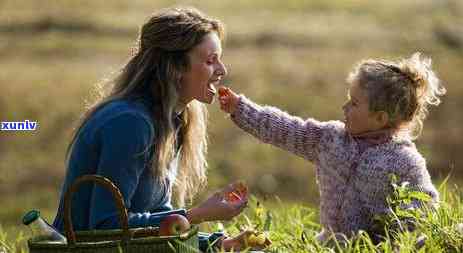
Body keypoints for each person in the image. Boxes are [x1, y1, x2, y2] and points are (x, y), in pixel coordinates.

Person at [52, 7, 263, 252]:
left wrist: (217, 245)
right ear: (175, 68)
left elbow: (153, 217)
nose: (222, 70)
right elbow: (104, 227)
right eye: (210, 60)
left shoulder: (172, 120)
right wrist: (196, 214)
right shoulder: (131, 124)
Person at [218, 53, 446, 244]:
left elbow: (424, 206)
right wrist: (240, 108)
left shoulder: (405, 160)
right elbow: (285, 129)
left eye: (354, 103)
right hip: (329, 243)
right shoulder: (330, 139)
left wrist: (397, 240)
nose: (345, 106)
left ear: (380, 118)